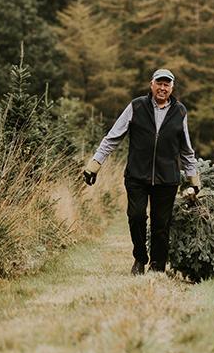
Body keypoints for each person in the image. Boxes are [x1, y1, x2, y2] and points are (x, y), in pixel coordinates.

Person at [83, 68, 201, 274]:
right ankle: (140, 257)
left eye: (167, 84)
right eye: (159, 83)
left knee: (161, 224)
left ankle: (157, 266)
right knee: (136, 216)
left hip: (167, 178)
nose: (163, 88)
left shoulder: (180, 111)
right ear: (151, 84)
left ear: (172, 88)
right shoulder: (136, 106)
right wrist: (94, 165)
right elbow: (113, 137)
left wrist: (194, 181)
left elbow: (186, 150)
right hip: (137, 175)